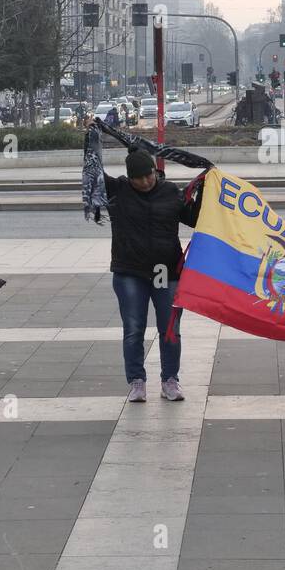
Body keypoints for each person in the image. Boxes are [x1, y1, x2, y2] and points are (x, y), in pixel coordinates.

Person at [93, 149, 200, 403]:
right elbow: (92, 172)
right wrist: (91, 138)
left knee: (170, 328)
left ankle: (170, 380)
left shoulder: (171, 191)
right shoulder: (118, 189)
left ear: (155, 171)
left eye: (148, 175)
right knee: (133, 328)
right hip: (130, 271)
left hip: (166, 271)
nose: (144, 181)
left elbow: (194, 219)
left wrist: (203, 191)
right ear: (128, 178)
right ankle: (137, 381)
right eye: (138, 178)